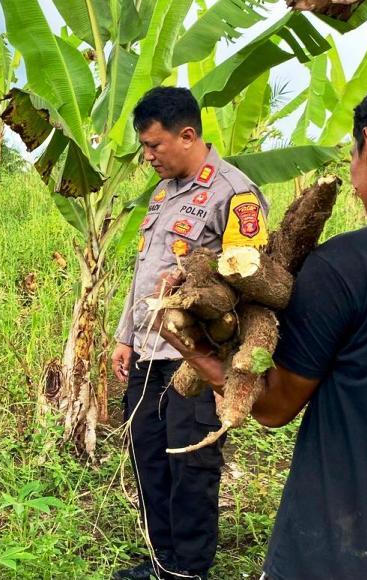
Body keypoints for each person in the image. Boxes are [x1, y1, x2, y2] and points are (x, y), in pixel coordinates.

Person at [156, 66, 367, 580]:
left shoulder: (346, 265)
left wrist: (203, 358)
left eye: (353, 155)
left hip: (335, 555)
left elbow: (273, 406)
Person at [111, 87, 269, 580]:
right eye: (144, 146)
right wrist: (125, 337)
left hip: (196, 360)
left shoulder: (234, 193)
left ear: (188, 134)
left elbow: (252, 279)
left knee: (191, 466)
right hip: (148, 353)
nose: (148, 155)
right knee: (150, 461)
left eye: (155, 145)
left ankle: (188, 570)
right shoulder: (162, 193)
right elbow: (144, 272)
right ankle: (161, 562)